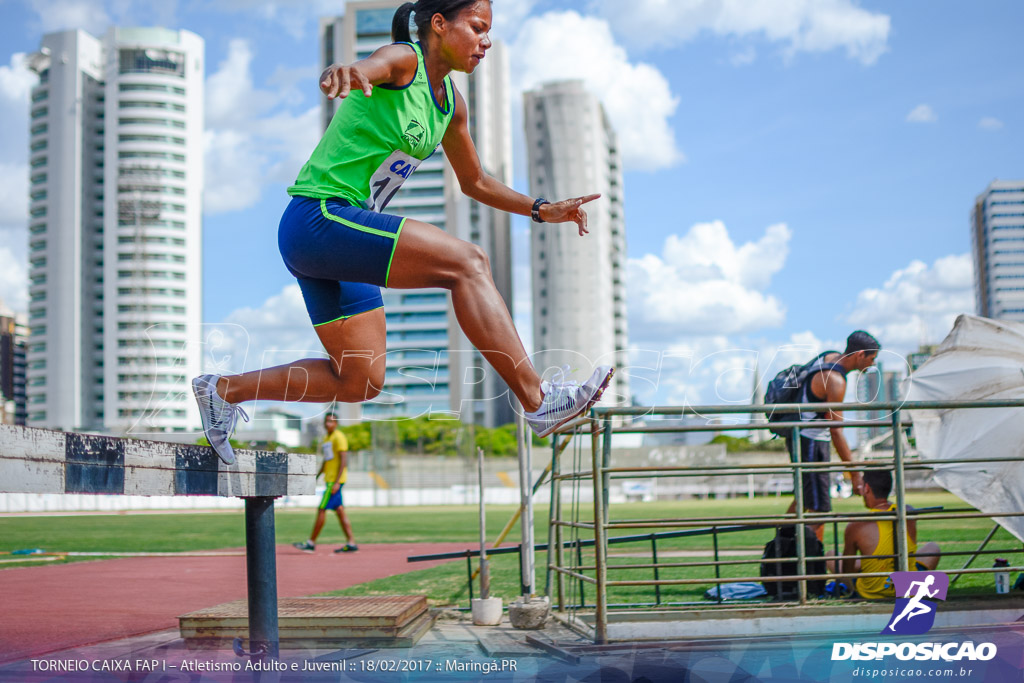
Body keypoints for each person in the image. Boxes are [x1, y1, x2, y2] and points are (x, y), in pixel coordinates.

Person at [191, 0, 614, 465]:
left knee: (359, 381)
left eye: (489, 31)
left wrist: (540, 209)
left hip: (339, 242)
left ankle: (223, 390)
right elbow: (368, 67)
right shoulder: (405, 60)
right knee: (469, 263)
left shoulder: (452, 106)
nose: (486, 41)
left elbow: (476, 182)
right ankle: (538, 401)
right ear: (439, 24)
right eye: (477, 28)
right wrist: (346, 72)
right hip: (319, 218)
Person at [785, 331, 880, 540]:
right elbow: (836, 431)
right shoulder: (835, 380)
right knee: (819, 510)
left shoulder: (828, 357)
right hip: (811, 442)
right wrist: (855, 475)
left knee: (804, 499)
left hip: (802, 437)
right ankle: (811, 563)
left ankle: (783, 551)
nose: (872, 364)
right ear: (860, 354)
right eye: (872, 359)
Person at [828, 469, 941, 600]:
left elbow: (847, 570)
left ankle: (859, 584)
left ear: (867, 488)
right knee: (933, 547)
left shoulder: (856, 525)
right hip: (909, 587)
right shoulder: (908, 512)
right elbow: (905, 507)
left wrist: (851, 589)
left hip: (873, 591)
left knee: (831, 555)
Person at [294, 412, 357, 553]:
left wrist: (336, 482)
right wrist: (316, 477)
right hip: (329, 479)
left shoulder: (339, 437)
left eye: (331, 421)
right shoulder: (326, 438)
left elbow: (343, 461)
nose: (328, 423)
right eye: (326, 421)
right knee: (340, 511)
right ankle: (351, 543)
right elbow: (327, 460)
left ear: (336, 423)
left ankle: (311, 543)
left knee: (321, 509)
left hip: (334, 481)